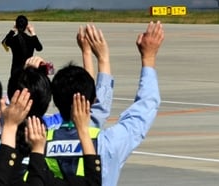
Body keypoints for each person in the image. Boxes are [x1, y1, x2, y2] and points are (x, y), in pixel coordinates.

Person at [46, 21, 163, 186]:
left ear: (55, 101)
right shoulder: (107, 144)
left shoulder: (40, 140)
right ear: (92, 102)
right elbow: (145, 106)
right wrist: (148, 58)